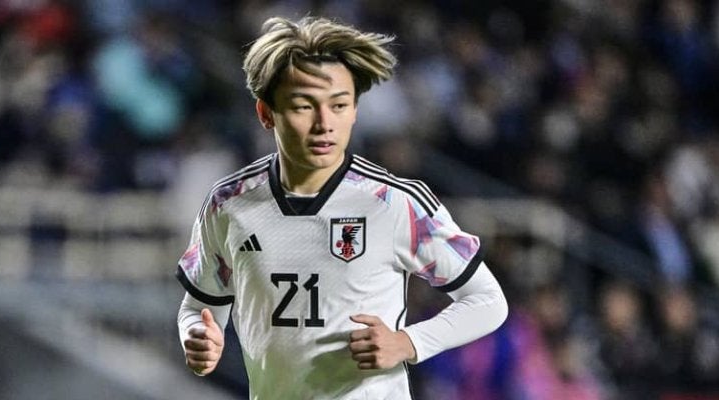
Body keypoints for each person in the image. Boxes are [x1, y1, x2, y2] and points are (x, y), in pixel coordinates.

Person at [175, 16, 508, 399]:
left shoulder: (393, 202)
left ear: (354, 111)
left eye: (339, 105)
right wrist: (197, 337)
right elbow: (197, 308)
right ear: (266, 113)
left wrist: (408, 342)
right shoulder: (229, 204)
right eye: (303, 106)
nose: (324, 123)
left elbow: (488, 301)